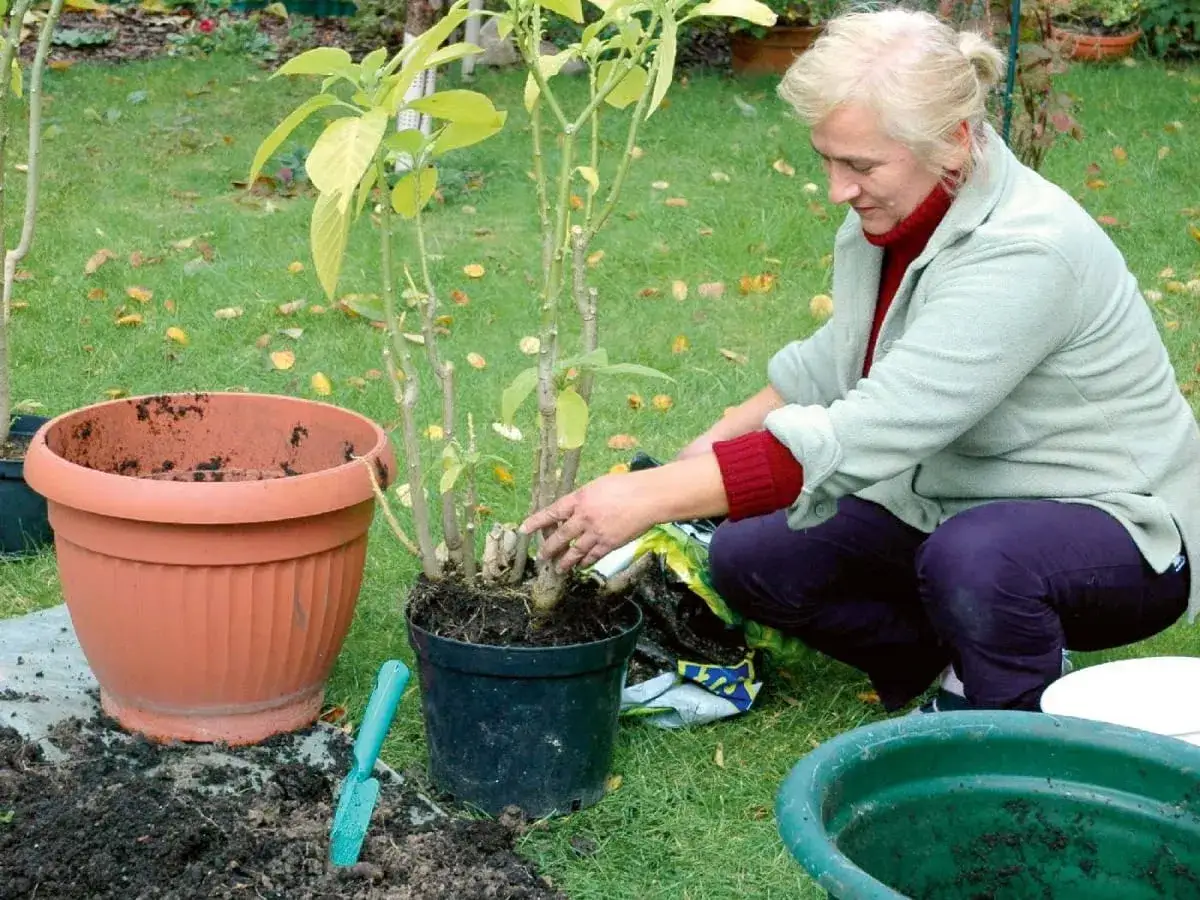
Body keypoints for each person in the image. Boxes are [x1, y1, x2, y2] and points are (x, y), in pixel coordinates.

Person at [520, 7, 1200, 713]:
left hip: (1115, 525)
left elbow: (870, 429)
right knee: (750, 559)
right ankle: (939, 652)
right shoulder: (897, 212)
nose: (837, 189)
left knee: (977, 560)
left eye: (860, 165)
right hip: (954, 496)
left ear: (953, 142)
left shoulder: (1028, 252)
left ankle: (1010, 717)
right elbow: (841, 355)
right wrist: (706, 449)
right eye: (827, 159)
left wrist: (652, 498)